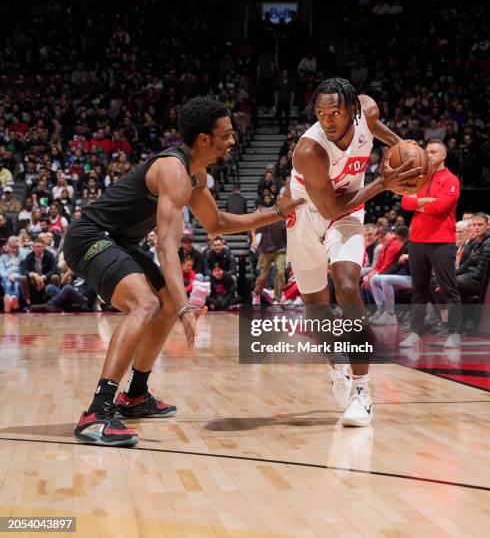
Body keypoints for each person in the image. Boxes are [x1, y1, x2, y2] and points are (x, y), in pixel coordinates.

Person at [63, 96, 303, 447]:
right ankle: (96, 414)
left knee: (160, 306)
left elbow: (216, 223)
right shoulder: (174, 170)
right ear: (204, 139)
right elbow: (165, 246)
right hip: (90, 238)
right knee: (146, 304)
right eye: (227, 134)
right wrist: (185, 306)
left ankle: (135, 395)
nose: (233, 140)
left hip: (122, 242)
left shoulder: (196, 173)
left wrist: (276, 212)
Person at [288, 77, 421, 427]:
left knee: (347, 285)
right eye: (320, 113)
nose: (327, 120)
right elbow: (328, 208)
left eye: (335, 112)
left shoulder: (369, 112)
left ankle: (363, 392)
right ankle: (336, 362)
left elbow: (379, 130)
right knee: (316, 310)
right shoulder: (309, 150)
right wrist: (383, 183)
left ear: (354, 112)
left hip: (348, 212)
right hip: (305, 214)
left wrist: (403, 148)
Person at [400, 139, 462, 348]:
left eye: (434, 152)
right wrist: (424, 202)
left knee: (448, 289)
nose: (429, 155)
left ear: (443, 155)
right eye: (427, 152)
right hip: (417, 241)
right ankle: (416, 332)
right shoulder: (420, 178)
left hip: (442, 242)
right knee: (418, 290)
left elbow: (441, 207)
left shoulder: (451, 179)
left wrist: (419, 203)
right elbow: (405, 202)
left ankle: (454, 333)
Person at [369, 225, 411, 325]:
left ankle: (390, 315)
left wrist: (409, 256)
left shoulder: (404, 245)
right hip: (404, 275)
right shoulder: (396, 246)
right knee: (374, 279)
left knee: (385, 280)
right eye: (379, 237)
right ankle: (382, 311)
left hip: (415, 278)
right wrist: (376, 274)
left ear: (394, 235)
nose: (381, 239)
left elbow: (393, 266)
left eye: (383, 236)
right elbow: (395, 266)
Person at [251, 218, 287, 304]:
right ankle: (257, 293)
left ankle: (277, 300)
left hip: (281, 248)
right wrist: (254, 239)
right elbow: (253, 227)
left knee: (281, 272)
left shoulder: (285, 217)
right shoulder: (267, 215)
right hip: (266, 249)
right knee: (263, 275)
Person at [20, 237, 60, 308]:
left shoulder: (50, 255)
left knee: (55, 277)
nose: (37, 249)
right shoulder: (29, 256)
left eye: (40, 247)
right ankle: (27, 301)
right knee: (23, 278)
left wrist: (43, 277)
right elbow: (23, 270)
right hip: (34, 280)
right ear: (33, 247)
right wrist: (33, 274)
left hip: (47, 279)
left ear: (44, 247)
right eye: (36, 247)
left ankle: (56, 301)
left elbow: (54, 269)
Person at [0, 236, 23, 312]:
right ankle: (10, 300)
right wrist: (8, 275)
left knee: (16, 285)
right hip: (6, 277)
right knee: (8, 284)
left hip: (18, 277)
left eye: (16, 247)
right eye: (12, 247)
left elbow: (24, 268)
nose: (14, 249)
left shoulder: (21, 256)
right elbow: (1, 270)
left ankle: (12, 300)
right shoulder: (3, 257)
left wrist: (20, 246)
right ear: (8, 247)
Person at [274, 69, 295, 134]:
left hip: (287, 100)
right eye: (284, 73)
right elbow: (276, 92)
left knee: (287, 116)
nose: (285, 74)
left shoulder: (290, 81)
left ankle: (286, 129)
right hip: (280, 100)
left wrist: (292, 102)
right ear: (282, 74)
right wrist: (275, 101)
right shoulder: (279, 80)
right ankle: (281, 129)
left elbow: (292, 93)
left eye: (286, 73)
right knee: (279, 116)